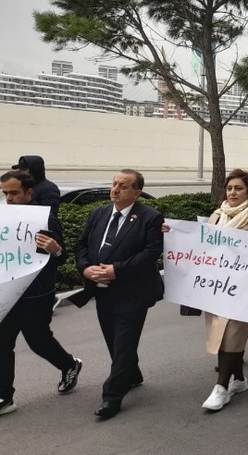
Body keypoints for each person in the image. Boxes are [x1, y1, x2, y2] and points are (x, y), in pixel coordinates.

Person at [70, 169, 164, 420]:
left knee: (123, 344)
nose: (115, 189)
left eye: (123, 186)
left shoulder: (150, 217)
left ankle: (111, 397)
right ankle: (132, 374)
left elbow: (151, 252)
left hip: (133, 292)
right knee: (114, 341)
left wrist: (116, 270)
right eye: (114, 184)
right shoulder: (98, 213)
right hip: (102, 292)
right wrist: (86, 268)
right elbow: (80, 245)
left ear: (137, 192)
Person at [0, 171, 81, 416]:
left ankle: (69, 364)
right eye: (5, 193)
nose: (9, 198)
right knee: (2, 343)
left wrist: (55, 250)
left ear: (29, 192)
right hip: (7, 292)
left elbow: (61, 257)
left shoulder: (43, 219)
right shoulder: (3, 216)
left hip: (36, 295)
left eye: (14, 193)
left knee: (38, 340)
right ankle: (5, 395)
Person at [197, 169, 248, 411]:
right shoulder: (217, 216)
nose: (233, 193)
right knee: (221, 334)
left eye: (239, 188)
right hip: (218, 287)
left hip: (245, 289)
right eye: (230, 188)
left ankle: (221, 387)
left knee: (232, 334)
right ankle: (239, 380)